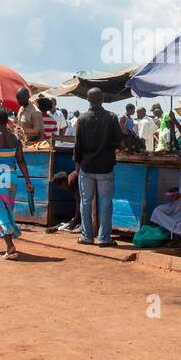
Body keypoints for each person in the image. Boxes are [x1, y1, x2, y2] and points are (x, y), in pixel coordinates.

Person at [73, 87, 123, 248]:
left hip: (86, 167)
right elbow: (119, 141)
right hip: (105, 166)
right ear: (102, 99)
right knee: (106, 202)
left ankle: (86, 236)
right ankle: (104, 238)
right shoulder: (111, 117)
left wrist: (78, 163)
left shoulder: (81, 119)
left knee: (85, 202)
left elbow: (77, 145)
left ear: (88, 100)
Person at [0, 109, 34, 260]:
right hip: (11, 177)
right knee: (2, 208)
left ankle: (10, 246)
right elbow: (21, 161)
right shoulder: (15, 139)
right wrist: (28, 181)